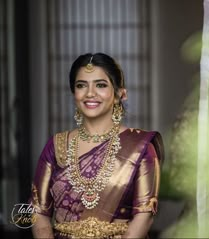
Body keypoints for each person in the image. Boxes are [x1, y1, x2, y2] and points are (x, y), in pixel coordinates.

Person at [29, 53, 164, 239]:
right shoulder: (56, 146)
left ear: (119, 94)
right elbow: (38, 211)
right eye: (81, 85)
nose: (90, 93)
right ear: (74, 94)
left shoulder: (140, 148)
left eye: (100, 85)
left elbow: (144, 215)